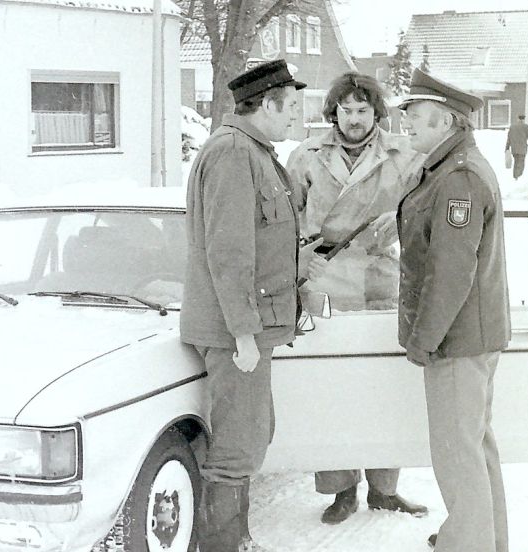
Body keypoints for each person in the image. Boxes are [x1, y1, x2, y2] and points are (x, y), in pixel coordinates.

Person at [180, 59, 320, 552]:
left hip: (249, 328)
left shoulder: (252, 151)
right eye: (291, 107)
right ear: (266, 105)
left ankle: (236, 538)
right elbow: (230, 252)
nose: (296, 117)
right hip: (235, 331)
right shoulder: (234, 154)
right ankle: (222, 545)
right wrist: (243, 333)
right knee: (236, 447)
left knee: (253, 435)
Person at [285, 71, 428, 525]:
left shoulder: (404, 155)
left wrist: (398, 218)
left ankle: (385, 489)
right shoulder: (306, 156)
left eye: (362, 110)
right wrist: (302, 261)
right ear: (333, 113)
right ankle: (341, 490)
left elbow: (426, 208)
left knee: (383, 384)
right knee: (331, 386)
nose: (354, 119)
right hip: (324, 278)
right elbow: (286, 217)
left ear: (376, 112)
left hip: (379, 277)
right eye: (345, 110)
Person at [397, 68, 512, 552]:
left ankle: (468, 545)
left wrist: (423, 339)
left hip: (456, 341)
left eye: (415, 116)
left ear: (445, 121)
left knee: (458, 456)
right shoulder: (450, 168)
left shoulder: (458, 177)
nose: (406, 124)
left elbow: (450, 272)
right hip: (468, 336)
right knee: (473, 450)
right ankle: (484, 540)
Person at [504, 114, 528, 180]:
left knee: (516, 162)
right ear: (523, 119)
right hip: (522, 149)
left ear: (518, 119)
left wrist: (507, 147)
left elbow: (509, 138)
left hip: (514, 149)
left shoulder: (512, 127)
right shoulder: (526, 127)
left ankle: (515, 176)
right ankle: (519, 177)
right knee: (521, 163)